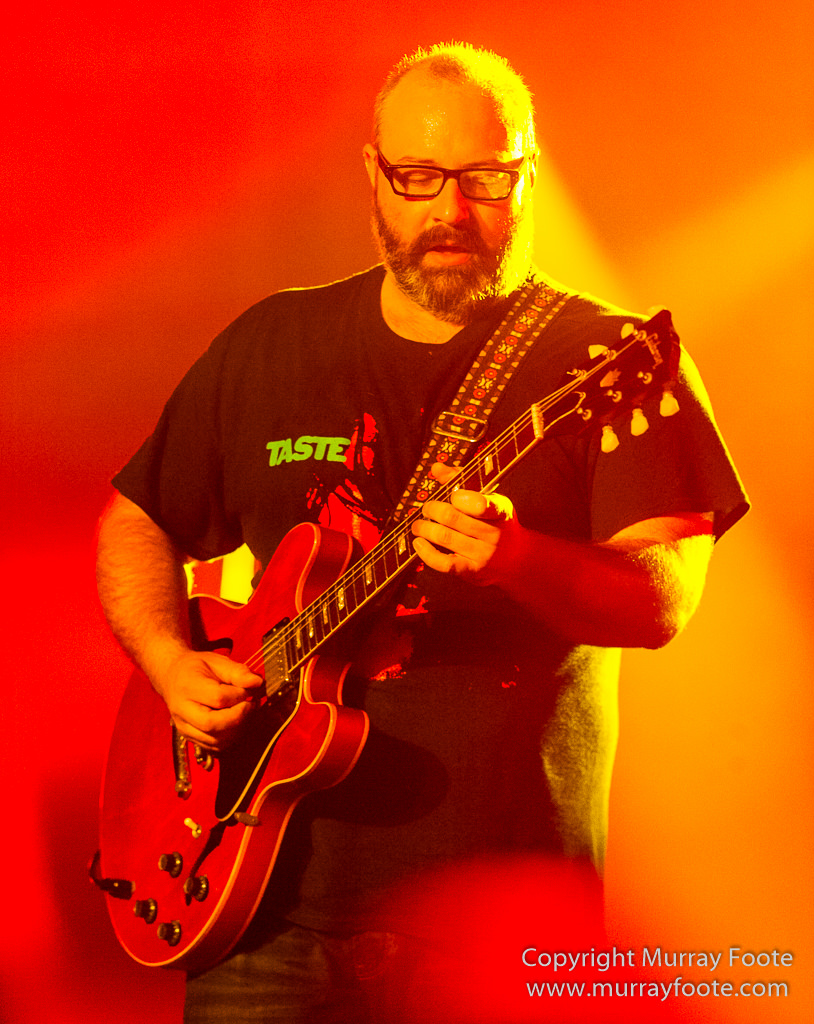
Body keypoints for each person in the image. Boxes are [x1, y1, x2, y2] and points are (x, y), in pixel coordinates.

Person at [96, 42, 748, 1023]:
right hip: (257, 902)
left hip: (497, 926)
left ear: (528, 172)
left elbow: (664, 599)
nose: (449, 209)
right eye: (418, 176)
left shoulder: (609, 359)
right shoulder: (273, 340)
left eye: (484, 179)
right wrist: (165, 658)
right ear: (375, 174)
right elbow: (136, 520)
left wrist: (518, 557)